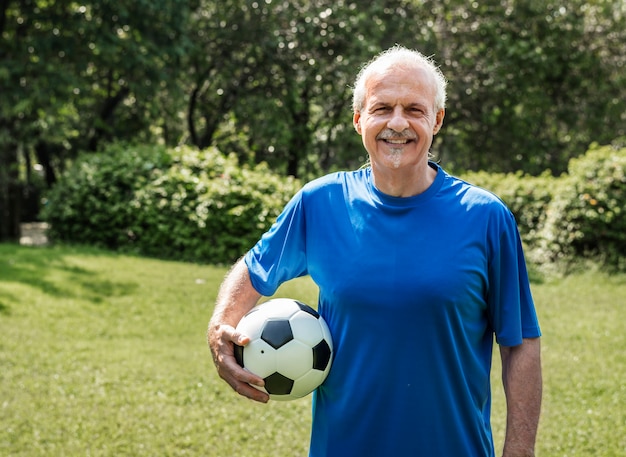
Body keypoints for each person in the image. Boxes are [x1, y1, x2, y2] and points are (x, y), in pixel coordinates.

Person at [208, 45, 542, 457]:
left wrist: (520, 451)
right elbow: (254, 268)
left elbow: (520, 342)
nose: (397, 123)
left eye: (414, 110)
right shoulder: (320, 202)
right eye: (382, 107)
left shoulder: (486, 217)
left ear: (436, 120)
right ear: (359, 119)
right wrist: (220, 326)